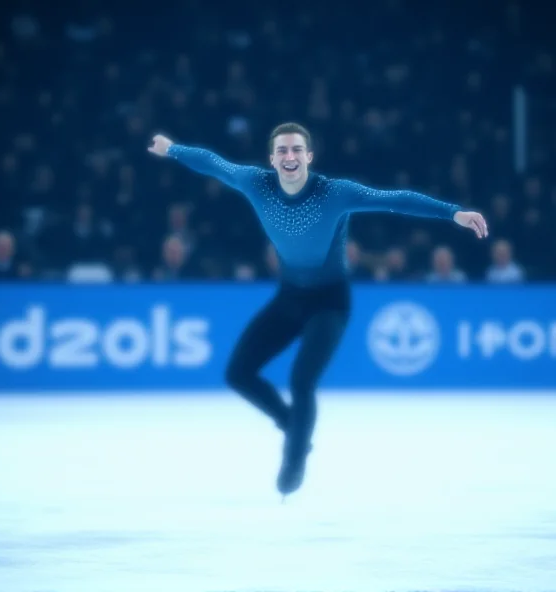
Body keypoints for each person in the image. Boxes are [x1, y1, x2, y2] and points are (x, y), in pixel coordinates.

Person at [148, 122, 489, 496]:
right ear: (272, 159)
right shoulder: (255, 183)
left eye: (296, 150)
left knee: (301, 380)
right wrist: (172, 149)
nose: (289, 157)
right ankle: (294, 426)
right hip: (290, 297)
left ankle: (294, 459)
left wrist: (453, 213)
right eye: (282, 151)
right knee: (238, 373)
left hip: (330, 301)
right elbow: (214, 164)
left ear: (309, 156)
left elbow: (395, 198)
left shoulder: (334, 193)